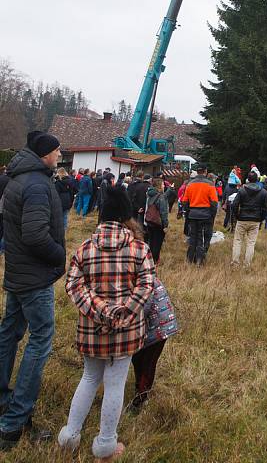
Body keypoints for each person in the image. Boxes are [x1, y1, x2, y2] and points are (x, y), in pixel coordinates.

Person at [58, 186, 154, 461]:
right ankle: (105, 444)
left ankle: (70, 436)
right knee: (115, 383)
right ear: (127, 214)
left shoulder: (85, 248)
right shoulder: (139, 248)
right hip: (126, 331)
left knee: (89, 378)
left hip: (91, 330)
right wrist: (122, 312)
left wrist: (100, 311)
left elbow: (73, 285)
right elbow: (147, 284)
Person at [0, 131, 65, 451]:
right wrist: (60, 255)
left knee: (9, 333)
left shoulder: (18, 178)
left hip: (17, 272)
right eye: (57, 151)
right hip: (34, 278)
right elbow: (36, 235)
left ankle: (3, 401)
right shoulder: (37, 185)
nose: (60, 155)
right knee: (40, 341)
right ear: (45, 154)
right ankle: (14, 421)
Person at [129, 276, 178, 412]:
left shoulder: (145, 279)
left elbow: (143, 307)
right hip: (150, 328)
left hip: (160, 329)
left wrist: (126, 318)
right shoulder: (138, 276)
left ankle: (141, 398)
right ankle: (139, 387)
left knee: (148, 362)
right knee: (137, 358)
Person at [181, 164, 218, 265]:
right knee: (202, 237)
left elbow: (184, 201)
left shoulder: (190, 184)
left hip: (193, 214)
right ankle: (200, 260)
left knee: (193, 237)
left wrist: (189, 212)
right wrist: (212, 215)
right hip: (206, 214)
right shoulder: (210, 184)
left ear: (197, 172)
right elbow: (214, 203)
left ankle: (190, 259)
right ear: (205, 171)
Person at [231, 171, 267, 266]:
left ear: (248, 179)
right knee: (251, 243)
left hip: (242, 219)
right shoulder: (263, 192)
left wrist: (237, 216)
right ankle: (247, 264)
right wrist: (261, 219)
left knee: (238, 241)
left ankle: (235, 263)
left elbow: (234, 204)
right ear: (257, 180)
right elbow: (266, 208)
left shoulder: (242, 190)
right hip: (255, 220)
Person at [144, 177, 169, 264]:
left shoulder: (150, 194)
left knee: (151, 241)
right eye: (162, 184)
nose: (164, 186)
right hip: (158, 223)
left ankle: (149, 259)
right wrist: (165, 225)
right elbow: (163, 212)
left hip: (150, 221)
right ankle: (154, 261)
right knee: (157, 243)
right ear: (159, 186)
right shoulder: (160, 196)